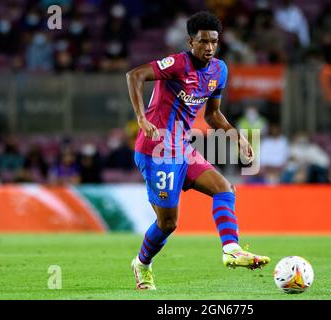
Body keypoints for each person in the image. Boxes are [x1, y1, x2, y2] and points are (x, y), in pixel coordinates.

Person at [126, 11, 269, 290]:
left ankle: (231, 249)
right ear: (191, 41)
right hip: (156, 150)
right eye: (203, 42)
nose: (209, 48)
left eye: (214, 42)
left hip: (182, 147)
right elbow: (135, 75)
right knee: (168, 223)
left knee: (225, 188)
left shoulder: (219, 70)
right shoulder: (176, 64)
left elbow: (213, 115)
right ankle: (142, 264)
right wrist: (141, 119)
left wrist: (237, 138)